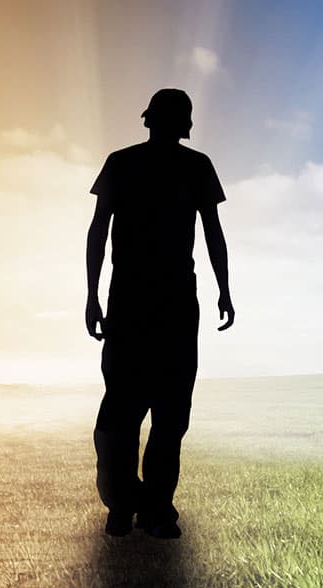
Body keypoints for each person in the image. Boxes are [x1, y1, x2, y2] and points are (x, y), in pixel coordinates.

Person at [84, 88, 235, 539]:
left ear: (149, 120)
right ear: (183, 124)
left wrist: (92, 295)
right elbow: (213, 233)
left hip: (137, 301)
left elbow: (98, 232)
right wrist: (224, 289)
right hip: (161, 303)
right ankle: (144, 508)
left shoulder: (125, 163)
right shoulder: (193, 166)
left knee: (135, 413)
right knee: (156, 413)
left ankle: (136, 508)